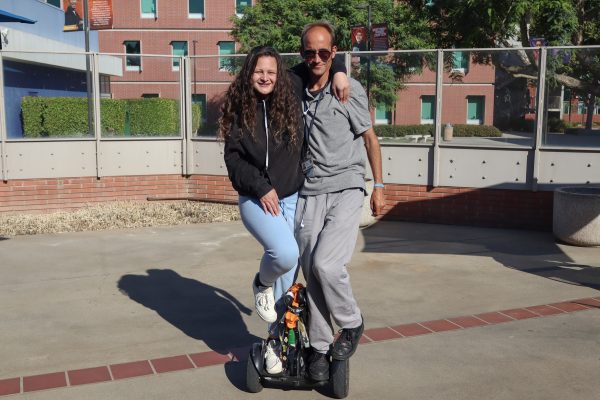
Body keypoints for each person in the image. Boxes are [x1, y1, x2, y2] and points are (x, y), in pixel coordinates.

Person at [220, 45, 349, 375]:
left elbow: (321, 62)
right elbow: (234, 161)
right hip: (256, 199)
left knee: (290, 277)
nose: (265, 77)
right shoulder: (239, 109)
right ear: (250, 73)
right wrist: (261, 187)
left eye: (271, 72)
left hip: (294, 195)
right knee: (285, 254)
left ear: (279, 75)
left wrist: (340, 71)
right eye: (259, 72)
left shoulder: (290, 87)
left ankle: (278, 340)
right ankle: (261, 283)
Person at [294, 21, 385, 382]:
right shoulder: (297, 86)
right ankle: (318, 347)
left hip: (346, 187)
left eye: (323, 52)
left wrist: (378, 185)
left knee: (328, 265)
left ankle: (351, 322)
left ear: (334, 53)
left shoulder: (348, 90)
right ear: (302, 54)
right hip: (309, 191)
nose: (316, 58)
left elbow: (371, 140)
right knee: (310, 272)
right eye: (309, 52)